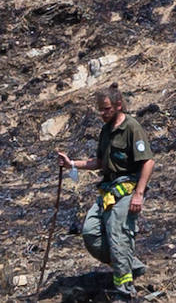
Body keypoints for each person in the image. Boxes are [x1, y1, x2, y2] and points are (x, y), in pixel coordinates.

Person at [57, 84, 155, 300]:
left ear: (118, 105)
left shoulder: (132, 127)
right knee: (91, 233)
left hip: (128, 188)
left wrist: (139, 194)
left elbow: (148, 161)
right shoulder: (105, 131)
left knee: (117, 233)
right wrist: (72, 164)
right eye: (100, 109)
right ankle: (132, 265)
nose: (102, 114)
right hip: (109, 189)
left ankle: (124, 290)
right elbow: (100, 162)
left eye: (106, 109)